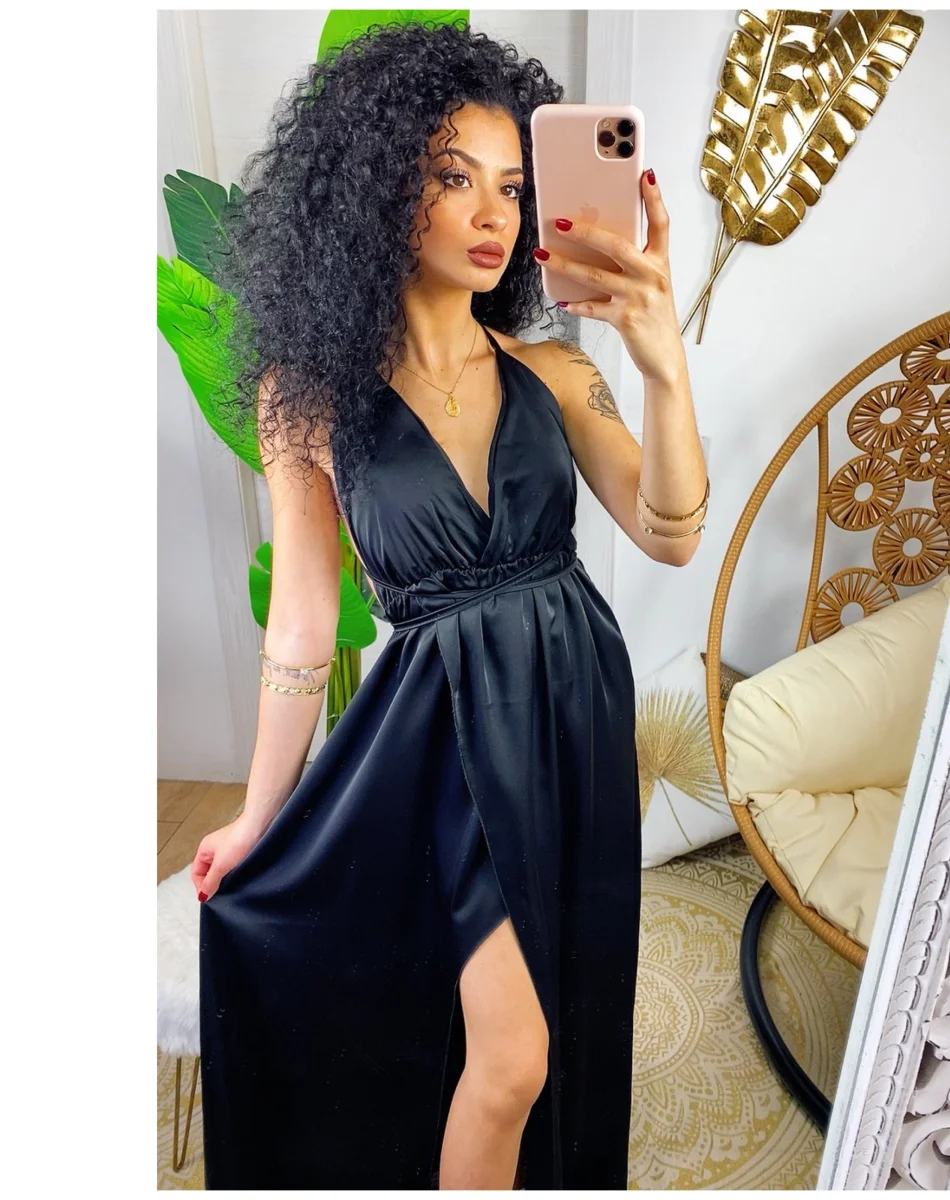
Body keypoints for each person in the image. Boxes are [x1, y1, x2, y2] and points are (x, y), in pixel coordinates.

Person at [191, 20, 707, 1190]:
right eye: (453, 177)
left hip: (571, 708)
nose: (493, 215)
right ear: (380, 190)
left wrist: (663, 364)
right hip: (441, 738)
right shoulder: (308, 399)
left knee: (547, 1013)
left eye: (513, 187)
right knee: (512, 1059)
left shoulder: (553, 371)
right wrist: (260, 813)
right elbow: (303, 621)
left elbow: (671, 533)